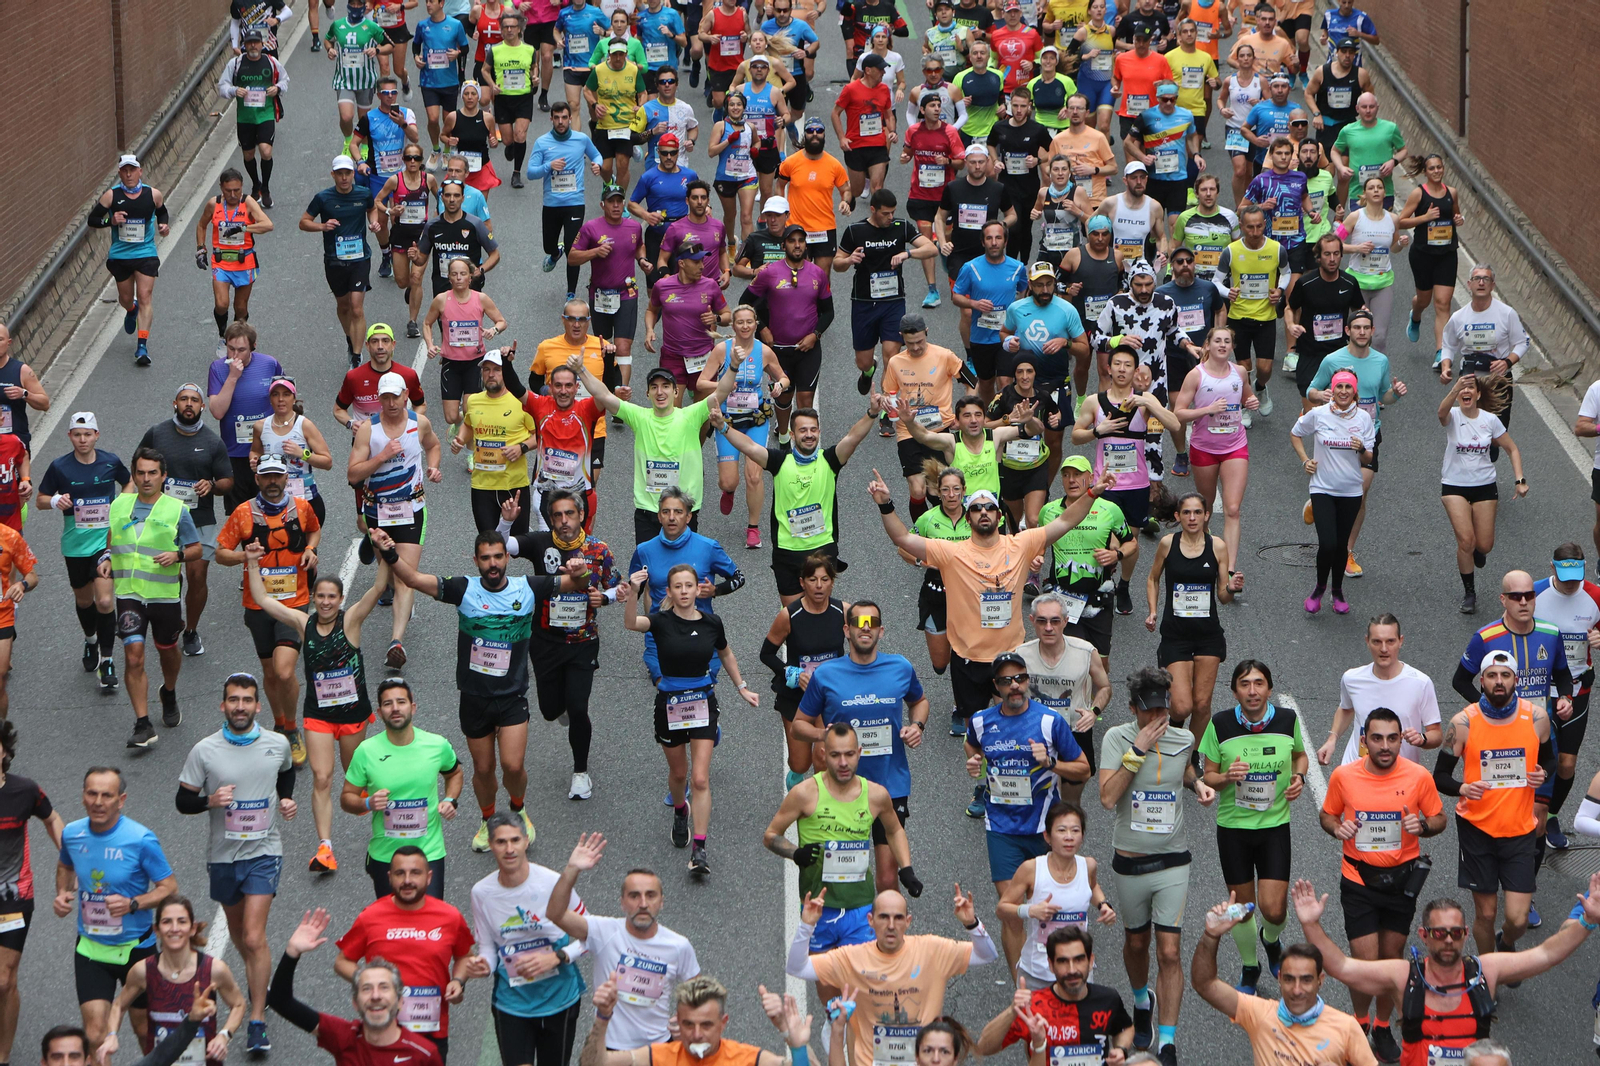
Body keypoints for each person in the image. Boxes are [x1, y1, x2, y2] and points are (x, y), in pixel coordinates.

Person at [868, 460, 1112, 737]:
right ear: (968, 516)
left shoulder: (1021, 544)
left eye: (989, 508)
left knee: (1014, 726)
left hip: (1009, 654)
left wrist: (1093, 493)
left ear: (998, 515)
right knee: (976, 730)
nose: (983, 512)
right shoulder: (952, 552)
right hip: (967, 657)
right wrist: (885, 504)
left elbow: (1066, 520)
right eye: (976, 508)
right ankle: (984, 774)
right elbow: (901, 538)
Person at [380, 524, 589, 847]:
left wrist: (582, 569)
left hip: (512, 696)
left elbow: (578, 582)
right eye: (485, 558)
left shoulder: (528, 588)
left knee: (512, 764)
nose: (492, 563)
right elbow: (412, 579)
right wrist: (390, 551)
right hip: (474, 697)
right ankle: (488, 820)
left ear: (507, 558)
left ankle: (518, 812)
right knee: (484, 767)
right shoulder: (464, 589)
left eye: (497, 557)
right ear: (476, 561)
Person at [1293, 875, 1600, 1066]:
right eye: (1439, 933)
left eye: (1455, 932)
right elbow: (1341, 967)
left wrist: (1587, 922)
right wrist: (1310, 924)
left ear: (1466, 933)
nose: (1449, 940)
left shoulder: (1486, 971)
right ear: (1425, 936)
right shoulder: (1402, 977)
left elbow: (1546, 954)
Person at [1098, 667, 1215, 1060]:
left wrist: (1196, 783)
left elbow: (1183, 766)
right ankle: (1141, 1000)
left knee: (1168, 951)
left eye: (1162, 710)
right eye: (1148, 712)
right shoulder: (1117, 738)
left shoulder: (1183, 736)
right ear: (1134, 709)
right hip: (1130, 860)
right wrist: (1138, 751)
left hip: (1172, 860)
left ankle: (1167, 1041)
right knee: (1136, 942)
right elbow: (1107, 798)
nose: (1157, 719)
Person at [174, 674, 294, 1052]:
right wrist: (209, 801)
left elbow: (287, 773)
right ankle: (261, 980)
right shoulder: (204, 751)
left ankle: (256, 1019)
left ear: (259, 706)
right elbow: (182, 800)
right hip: (223, 856)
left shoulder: (277, 743)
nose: (240, 706)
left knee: (255, 937)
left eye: (246, 700)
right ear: (222, 706)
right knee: (243, 938)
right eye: (232, 700)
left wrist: (286, 800)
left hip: (264, 852)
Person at [1316, 708, 1445, 1059]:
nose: (1385, 746)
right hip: (1358, 878)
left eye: (1392, 738)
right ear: (1364, 741)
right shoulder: (1344, 776)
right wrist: (1335, 828)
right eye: (1377, 738)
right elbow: (1327, 814)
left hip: (1402, 880)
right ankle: (1359, 1022)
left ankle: (1384, 1026)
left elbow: (1439, 818)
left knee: (1391, 958)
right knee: (1364, 960)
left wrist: (1425, 826)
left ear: (1401, 739)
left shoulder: (1418, 776)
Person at [248, 547, 384, 874]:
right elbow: (263, 600)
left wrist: (383, 550)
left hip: (352, 715)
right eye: (320, 596)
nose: (325, 602)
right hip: (319, 716)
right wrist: (252, 562)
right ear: (314, 597)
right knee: (322, 778)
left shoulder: (350, 621)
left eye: (331, 597)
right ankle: (325, 848)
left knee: (357, 778)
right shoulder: (302, 622)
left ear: (340, 600)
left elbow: (379, 587)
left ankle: (384, 832)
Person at [619, 561, 758, 873]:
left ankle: (700, 849)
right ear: (669, 591)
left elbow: (726, 654)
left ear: (698, 589)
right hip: (669, 704)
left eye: (689, 586)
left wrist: (742, 688)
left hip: (702, 701)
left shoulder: (712, 622)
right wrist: (633, 592)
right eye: (677, 587)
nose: (683, 591)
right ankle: (680, 810)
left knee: (699, 778)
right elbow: (630, 623)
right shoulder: (660, 620)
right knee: (679, 775)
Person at [764, 722, 921, 973]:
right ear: (824, 755)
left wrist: (906, 868)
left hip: (859, 905)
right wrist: (796, 853)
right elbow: (771, 835)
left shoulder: (876, 795)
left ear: (859, 752)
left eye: (849, 754)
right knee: (827, 988)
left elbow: (894, 830)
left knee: (859, 981)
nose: (843, 762)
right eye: (836, 755)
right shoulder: (804, 793)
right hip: (818, 906)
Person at [966, 653, 1090, 966]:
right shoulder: (981, 721)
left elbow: (1083, 769)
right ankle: (1023, 989)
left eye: (1020, 678)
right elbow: (972, 746)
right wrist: (976, 765)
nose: (1015, 686)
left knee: (1048, 912)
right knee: (1012, 914)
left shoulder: (1049, 721)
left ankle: (1052, 975)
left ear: (1028, 680)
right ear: (997, 686)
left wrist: (1052, 763)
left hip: (1043, 830)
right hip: (1002, 829)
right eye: (1006, 681)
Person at [794, 600, 930, 886]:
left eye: (872, 624)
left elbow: (919, 701)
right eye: (858, 623)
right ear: (847, 630)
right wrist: (823, 735)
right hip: (840, 787)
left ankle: (884, 930)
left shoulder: (900, 667)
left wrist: (916, 726)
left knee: (887, 877)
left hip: (888, 784)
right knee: (843, 875)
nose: (864, 629)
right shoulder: (827, 674)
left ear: (881, 631)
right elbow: (798, 726)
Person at [788, 887, 999, 1066]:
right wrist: (807, 926)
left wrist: (972, 924)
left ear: (908, 921)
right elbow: (797, 968)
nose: (891, 925)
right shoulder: (852, 957)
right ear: (870, 920)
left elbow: (986, 954)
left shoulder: (932, 950)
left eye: (898, 918)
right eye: (884, 917)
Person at [497, 490, 617, 800]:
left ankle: (581, 773)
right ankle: (560, 705)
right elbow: (501, 547)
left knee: (578, 707)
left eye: (569, 514)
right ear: (551, 520)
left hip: (583, 642)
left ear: (580, 516)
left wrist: (605, 597)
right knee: (550, 710)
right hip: (545, 641)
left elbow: (617, 584)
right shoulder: (540, 543)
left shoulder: (598, 549)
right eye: (557, 516)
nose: (564, 521)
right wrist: (505, 522)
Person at [1197, 660, 1307, 995]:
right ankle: (1250, 967)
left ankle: (1271, 940)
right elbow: (1209, 775)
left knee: (1274, 911)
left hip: (1274, 826)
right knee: (1242, 909)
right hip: (1234, 828)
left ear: (1269, 689)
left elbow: (1300, 756)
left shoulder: (1287, 720)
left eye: (1259, 683)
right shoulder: (1220, 724)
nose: (1252, 691)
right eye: (1244, 684)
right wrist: (1227, 777)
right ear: (1234, 691)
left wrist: (1300, 776)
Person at [1435, 651, 1555, 955]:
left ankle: (1507, 942)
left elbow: (1549, 761)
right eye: (1492, 675)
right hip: (1477, 829)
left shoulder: (1537, 718)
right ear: (1482, 680)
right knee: (1486, 914)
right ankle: (1489, 973)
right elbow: (1440, 776)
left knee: (1517, 919)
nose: (1498, 682)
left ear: (1516, 679)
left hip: (1519, 829)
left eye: (1505, 675)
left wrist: (1542, 774)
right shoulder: (1463, 722)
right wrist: (1463, 787)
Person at [54, 767, 179, 1050]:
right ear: (83, 796)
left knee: (145, 1030)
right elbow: (64, 865)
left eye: (107, 795)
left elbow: (169, 888)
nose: (98, 802)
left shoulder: (141, 839)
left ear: (121, 800)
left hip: (137, 949)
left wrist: (133, 903)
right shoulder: (72, 834)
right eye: (92, 794)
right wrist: (61, 892)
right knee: (95, 1035)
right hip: (91, 948)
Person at [544, 835, 702, 1049]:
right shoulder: (602, 930)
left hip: (659, 1050)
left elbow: (700, 992)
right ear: (622, 903)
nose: (643, 903)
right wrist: (572, 869)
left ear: (661, 902)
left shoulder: (678, 946)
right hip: (609, 1050)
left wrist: (688, 1020)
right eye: (634, 896)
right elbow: (555, 913)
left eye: (651, 895)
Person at [713, 398, 877, 600]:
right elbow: (749, 447)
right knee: (793, 617)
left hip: (822, 549)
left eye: (813, 430)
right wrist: (722, 426)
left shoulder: (830, 460)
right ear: (792, 435)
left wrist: (872, 413)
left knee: (818, 612)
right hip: (787, 551)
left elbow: (853, 437)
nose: (809, 435)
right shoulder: (779, 461)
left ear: (818, 432)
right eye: (803, 430)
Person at [214, 453, 322, 760]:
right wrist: (245, 557)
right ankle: (280, 725)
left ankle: (291, 730)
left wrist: (311, 550)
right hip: (257, 603)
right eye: (267, 477)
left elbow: (314, 529)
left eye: (278, 476)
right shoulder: (243, 513)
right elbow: (221, 553)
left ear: (286, 478)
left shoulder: (301, 509)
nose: (273, 482)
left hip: (294, 602)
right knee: (270, 673)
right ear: (258, 480)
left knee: (284, 671)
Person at [568, 351, 737, 545]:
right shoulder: (639, 417)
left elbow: (721, 392)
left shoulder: (691, 415)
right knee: (647, 571)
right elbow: (604, 395)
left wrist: (734, 366)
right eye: (654, 387)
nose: (660, 392)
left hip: (683, 510)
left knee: (682, 571)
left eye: (666, 386)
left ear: (675, 392)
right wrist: (580, 369)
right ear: (648, 394)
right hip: (648, 510)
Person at [335, 848, 479, 1060]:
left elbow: (465, 956)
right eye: (400, 873)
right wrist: (370, 983)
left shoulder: (450, 916)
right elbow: (342, 962)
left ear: (429, 877)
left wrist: (458, 981)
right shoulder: (371, 916)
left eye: (415, 873)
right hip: (382, 1028)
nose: (407, 880)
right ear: (390, 877)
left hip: (431, 1030)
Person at [1189, 903, 1375, 1066]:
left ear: (1320, 980)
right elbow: (1204, 984)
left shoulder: (1346, 1027)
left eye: (1306, 980)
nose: (1296, 989)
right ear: (1279, 979)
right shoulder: (1259, 1014)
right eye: (1289, 979)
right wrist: (1210, 935)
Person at [468, 813, 588, 1066]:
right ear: (490, 844)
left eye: (515, 840)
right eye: (501, 842)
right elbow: (488, 946)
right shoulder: (481, 893)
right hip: (512, 1003)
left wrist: (557, 957)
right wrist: (484, 965)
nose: (509, 849)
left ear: (526, 841)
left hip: (559, 999)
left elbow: (591, 936)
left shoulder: (552, 882)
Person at [347, 372, 444, 666]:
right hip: (377, 511)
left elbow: (434, 446)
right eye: (385, 397)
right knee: (387, 572)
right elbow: (353, 475)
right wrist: (382, 457)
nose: (391, 403)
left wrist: (433, 468)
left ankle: (396, 642)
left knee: (405, 578)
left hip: (411, 509)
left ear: (405, 396)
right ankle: (368, 537)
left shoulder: (419, 423)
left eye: (395, 397)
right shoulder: (368, 430)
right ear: (379, 399)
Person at [266, 907, 445, 1066]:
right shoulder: (345, 1037)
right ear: (355, 1003)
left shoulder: (424, 1054)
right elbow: (281, 1002)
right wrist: (292, 952)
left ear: (400, 1001)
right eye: (366, 988)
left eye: (384, 987)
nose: (375, 995)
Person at [340, 678, 465, 898]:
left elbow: (454, 773)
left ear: (413, 708)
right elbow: (346, 798)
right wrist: (366, 802)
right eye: (388, 704)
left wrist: (450, 799)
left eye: (401, 702)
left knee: (428, 923)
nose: (395, 708)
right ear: (379, 712)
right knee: (393, 927)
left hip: (429, 852)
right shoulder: (366, 751)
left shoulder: (436, 745)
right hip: (386, 855)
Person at [108, 447, 201, 742]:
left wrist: (177, 555)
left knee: (167, 649)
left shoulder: (177, 510)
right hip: (129, 593)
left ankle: (169, 692)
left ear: (163, 476)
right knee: (133, 657)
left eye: (152, 473)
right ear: (134, 475)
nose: (146, 479)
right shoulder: (120, 504)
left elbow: (196, 548)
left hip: (164, 596)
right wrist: (105, 560)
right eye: (140, 473)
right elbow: (110, 540)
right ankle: (142, 723)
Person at [1304, 310, 1404, 580]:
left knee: (1360, 491)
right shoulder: (1332, 360)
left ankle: (1347, 551)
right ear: (1348, 331)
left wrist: (1394, 394)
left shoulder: (1381, 361)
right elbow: (1311, 390)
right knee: (1347, 490)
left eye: (1366, 328)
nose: (1361, 332)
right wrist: (1321, 394)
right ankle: (1322, 501)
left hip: (1368, 433)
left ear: (1373, 332)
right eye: (1356, 327)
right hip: (1335, 434)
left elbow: (1384, 396)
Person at [141, 386, 235, 660]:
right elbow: (139, 467)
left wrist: (213, 485)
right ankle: (163, 618)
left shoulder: (212, 441)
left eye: (194, 400)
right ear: (175, 403)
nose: (189, 404)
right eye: (184, 399)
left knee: (197, 576)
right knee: (170, 575)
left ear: (203, 406)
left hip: (199, 518)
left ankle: (191, 630)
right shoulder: (157, 433)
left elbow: (228, 482)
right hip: (162, 518)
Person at [39, 412, 129, 696]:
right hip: (75, 544)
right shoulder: (60, 466)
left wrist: (121, 504)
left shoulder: (110, 461)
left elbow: (129, 482)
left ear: (96, 435)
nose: (82, 440)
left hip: (105, 543)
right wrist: (55, 500)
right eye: (77, 435)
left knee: (104, 600)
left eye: (87, 434)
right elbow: (40, 499)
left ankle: (107, 661)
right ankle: (90, 639)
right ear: (70, 437)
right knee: (84, 600)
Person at [100, 897, 248, 1066]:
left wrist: (224, 1035)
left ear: (192, 929)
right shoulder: (144, 970)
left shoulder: (214, 969)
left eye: (182, 921)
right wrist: (111, 1036)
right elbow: (119, 1005)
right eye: (167, 922)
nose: (175, 928)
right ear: (157, 929)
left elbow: (238, 1004)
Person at [1143, 492, 1241, 744]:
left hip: (1208, 636)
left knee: (1201, 705)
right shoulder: (1168, 543)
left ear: (1207, 515)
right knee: (1181, 707)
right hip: (1175, 636)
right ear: (1177, 516)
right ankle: (1174, 731)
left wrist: (1231, 588)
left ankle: (1190, 756)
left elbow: (1223, 596)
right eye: (1186, 512)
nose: (1192, 517)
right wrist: (1152, 610)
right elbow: (1153, 578)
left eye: (1198, 512)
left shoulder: (1217, 546)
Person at [1090, 262, 1196, 480]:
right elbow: (1095, 338)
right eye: (1139, 285)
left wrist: (1187, 344)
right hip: (1123, 382)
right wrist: (1119, 340)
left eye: (1148, 284)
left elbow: (1174, 330)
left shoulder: (1166, 303)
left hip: (1156, 382)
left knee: (1154, 437)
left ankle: (1154, 487)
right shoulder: (1116, 304)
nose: (1144, 290)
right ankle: (1118, 482)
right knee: (1122, 433)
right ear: (1130, 284)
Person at [0, 721, 62, 1065]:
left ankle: (3, 1056)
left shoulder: (25, 791)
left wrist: (69, 856)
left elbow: (51, 819)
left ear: (5, 751)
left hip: (12, 898)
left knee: (4, 980)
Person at [695, 311, 787, 543]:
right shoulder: (722, 350)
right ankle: (729, 490)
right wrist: (723, 384)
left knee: (754, 476)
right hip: (727, 421)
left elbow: (784, 377)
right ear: (733, 325)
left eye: (749, 322)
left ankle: (753, 528)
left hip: (756, 420)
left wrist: (779, 386)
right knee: (729, 480)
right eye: (740, 322)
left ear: (756, 324)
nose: (745, 326)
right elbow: (701, 383)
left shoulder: (763, 351)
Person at [580, 975, 813, 1066]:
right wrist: (603, 1017)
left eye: (707, 1025)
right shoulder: (658, 1057)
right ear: (677, 1022)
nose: (697, 1034)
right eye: (688, 1024)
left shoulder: (748, 1060)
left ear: (724, 1023)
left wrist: (793, 1039)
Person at [978, 925, 1132, 1061]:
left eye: (1078, 960)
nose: (1072, 970)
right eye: (1063, 961)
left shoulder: (1108, 999)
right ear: (1051, 965)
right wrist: (1012, 1010)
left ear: (1091, 961)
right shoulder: (1035, 1006)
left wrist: (1121, 1049)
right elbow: (984, 1047)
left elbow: (1125, 1028)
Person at [1171, 328, 1255, 574]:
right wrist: (1206, 410)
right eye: (1217, 340)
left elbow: (1247, 398)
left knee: (1232, 509)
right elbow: (1179, 412)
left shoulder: (1239, 372)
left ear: (1232, 346)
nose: (1222, 345)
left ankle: (1228, 570)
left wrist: (1252, 403)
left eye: (1227, 341)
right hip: (1204, 448)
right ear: (1207, 345)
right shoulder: (1196, 376)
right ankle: (1205, 554)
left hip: (1235, 447)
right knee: (1205, 511)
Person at [1438, 374, 1524, 613]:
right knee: (1465, 540)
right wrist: (1454, 389)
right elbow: (1441, 413)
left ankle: (1478, 551)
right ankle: (1469, 593)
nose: (1466, 392)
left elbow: (1511, 448)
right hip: (1454, 485)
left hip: (1484, 486)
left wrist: (1520, 479)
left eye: (1470, 389)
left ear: (1477, 395)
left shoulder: (1490, 420)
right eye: (1462, 388)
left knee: (1484, 545)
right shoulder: (1453, 416)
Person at [1290, 369, 1374, 614]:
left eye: (1348, 387)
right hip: (1322, 488)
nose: (1344, 392)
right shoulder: (1318, 414)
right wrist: (1306, 460)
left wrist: (1361, 450)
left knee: (1340, 547)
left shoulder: (1363, 419)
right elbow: (1295, 434)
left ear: (1355, 391)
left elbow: (1369, 457)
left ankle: (1337, 591)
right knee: (1327, 544)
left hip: (1350, 490)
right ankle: (1318, 589)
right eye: (1339, 387)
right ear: (1333, 390)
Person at [1533, 546, 1600, 850]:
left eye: (1577, 576)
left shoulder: (1595, 595)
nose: (1572, 583)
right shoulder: (1533, 594)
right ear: (1552, 568)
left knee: (1567, 764)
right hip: (1538, 691)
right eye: (1565, 576)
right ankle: (1531, 812)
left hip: (1577, 689)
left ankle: (1551, 815)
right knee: (1536, 760)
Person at [757, 556, 845, 784]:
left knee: (824, 757)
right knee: (799, 763)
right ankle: (795, 778)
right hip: (798, 696)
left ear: (832, 583)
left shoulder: (843, 611)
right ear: (802, 582)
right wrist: (792, 673)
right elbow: (766, 654)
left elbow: (862, 643)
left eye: (824, 579)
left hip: (830, 695)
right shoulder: (789, 615)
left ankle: (820, 809)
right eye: (812, 579)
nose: (819, 585)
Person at [1317, 613, 1442, 768]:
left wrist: (1422, 739)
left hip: (1400, 776)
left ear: (1400, 641)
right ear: (1367, 642)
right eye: (1377, 642)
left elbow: (1436, 733)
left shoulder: (1421, 683)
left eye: (1390, 641)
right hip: (1357, 769)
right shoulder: (1352, 678)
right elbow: (1346, 709)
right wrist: (1332, 739)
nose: (1384, 649)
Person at [301, 156, 385, 363]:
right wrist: (322, 226)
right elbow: (303, 222)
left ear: (352, 174)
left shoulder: (363, 193)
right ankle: (351, 338)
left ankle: (356, 355)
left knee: (357, 306)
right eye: (340, 174)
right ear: (333, 175)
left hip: (360, 258)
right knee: (344, 305)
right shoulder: (323, 198)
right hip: (334, 260)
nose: (344, 178)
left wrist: (373, 223)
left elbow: (371, 208)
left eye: (348, 173)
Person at [89, 156, 169, 366]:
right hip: (121, 255)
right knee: (126, 299)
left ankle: (141, 346)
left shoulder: (153, 194)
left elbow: (162, 212)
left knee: (145, 296)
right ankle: (131, 310)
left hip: (145, 253)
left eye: (132, 170)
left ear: (140, 171)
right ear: (120, 174)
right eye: (125, 171)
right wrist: (110, 220)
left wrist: (163, 226)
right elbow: (93, 220)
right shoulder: (111, 196)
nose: (129, 174)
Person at [570, 184, 650, 394]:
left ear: (623, 204)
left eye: (619, 201)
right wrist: (595, 251)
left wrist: (641, 260)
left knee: (623, 347)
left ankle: (621, 397)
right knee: (605, 347)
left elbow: (639, 245)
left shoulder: (633, 227)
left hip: (627, 294)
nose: (615, 205)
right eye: (611, 201)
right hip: (600, 297)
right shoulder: (590, 228)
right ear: (602, 204)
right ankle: (608, 392)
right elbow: (572, 257)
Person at [1436, 268, 1527, 448]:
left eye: (1486, 279)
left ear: (1493, 285)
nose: (1481, 282)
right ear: (1469, 284)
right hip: (1470, 378)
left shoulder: (1507, 313)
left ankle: (1488, 457)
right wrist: (1446, 366)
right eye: (1477, 278)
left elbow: (1522, 342)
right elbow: (1448, 345)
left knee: (1495, 437)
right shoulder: (1458, 317)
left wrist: (1507, 362)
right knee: (1470, 430)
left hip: (1497, 378)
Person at [453, 349, 535, 533]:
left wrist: (522, 448)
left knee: (518, 543)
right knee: (488, 544)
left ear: (505, 373)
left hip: (514, 485)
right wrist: (460, 439)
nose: (491, 375)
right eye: (486, 370)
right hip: (482, 485)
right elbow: (468, 425)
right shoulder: (473, 401)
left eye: (497, 370)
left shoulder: (521, 402)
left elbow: (540, 434)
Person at [526, 102, 603, 295]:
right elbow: (530, 173)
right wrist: (549, 166)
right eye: (557, 118)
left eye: (564, 118)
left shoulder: (581, 139)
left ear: (570, 118)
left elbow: (597, 155)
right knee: (548, 245)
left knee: (573, 250)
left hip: (575, 203)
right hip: (551, 204)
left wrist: (597, 165)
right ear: (551, 118)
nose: (561, 122)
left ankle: (571, 292)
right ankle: (554, 252)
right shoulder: (542, 142)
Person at [206, 322, 283, 514]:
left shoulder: (269, 364)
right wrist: (233, 377)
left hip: (266, 452)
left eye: (241, 350)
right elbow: (217, 411)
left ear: (253, 347)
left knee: (271, 511)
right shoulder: (217, 368)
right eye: (230, 349)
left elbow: (285, 403)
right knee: (238, 515)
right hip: (234, 454)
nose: (234, 355)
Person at [951, 220, 1028, 408]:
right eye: (989, 238)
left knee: (1005, 381)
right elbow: (955, 296)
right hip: (981, 337)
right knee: (985, 383)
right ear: (983, 242)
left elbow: (1023, 291)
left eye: (998, 238)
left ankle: (1006, 419)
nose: (994, 242)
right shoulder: (970, 268)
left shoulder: (1017, 267)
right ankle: (990, 416)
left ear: (1005, 242)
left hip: (1007, 336)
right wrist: (974, 303)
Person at [1397, 154, 1464, 365]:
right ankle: (1415, 315)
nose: (1436, 171)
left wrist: (1459, 219)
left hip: (1447, 254)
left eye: (1439, 167)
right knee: (1424, 300)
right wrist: (1424, 218)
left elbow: (1456, 215)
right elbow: (1401, 221)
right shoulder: (1419, 194)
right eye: (1432, 168)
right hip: (1423, 255)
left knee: (1443, 304)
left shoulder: (1451, 193)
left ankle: (1441, 353)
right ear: (1425, 172)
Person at [194, 168, 273, 341]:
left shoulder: (248, 202)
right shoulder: (213, 204)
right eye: (228, 190)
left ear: (242, 187)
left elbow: (267, 225)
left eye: (236, 190)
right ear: (221, 187)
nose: (232, 194)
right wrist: (201, 248)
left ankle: (237, 340)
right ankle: (224, 335)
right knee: (221, 304)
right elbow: (201, 225)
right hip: (221, 262)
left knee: (241, 308)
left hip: (244, 262)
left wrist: (243, 228)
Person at [1337, 175, 1412, 352]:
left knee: (1378, 337)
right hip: (1357, 282)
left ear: (1385, 192)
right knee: (1356, 333)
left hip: (1382, 282)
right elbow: (1334, 244)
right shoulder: (1355, 217)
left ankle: (1375, 375)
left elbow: (1393, 248)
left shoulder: (1393, 219)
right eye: (1371, 188)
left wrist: (1400, 244)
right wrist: (1357, 248)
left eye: (1379, 187)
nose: (1376, 190)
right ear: (1365, 193)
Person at [1284, 232, 1363, 400]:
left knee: (1340, 406)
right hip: (1310, 353)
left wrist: (1364, 316)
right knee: (1311, 406)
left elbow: (1359, 310)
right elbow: (1290, 308)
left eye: (1336, 254)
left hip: (1339, 352)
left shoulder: (1349, 282)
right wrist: (1291, 325)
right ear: (1318, 257)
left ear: (1342, 255)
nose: (1332, 259)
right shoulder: (1305, 283)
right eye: (1327, 254)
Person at [219, 31, 289, 207]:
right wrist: (234, 90)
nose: (253, 46)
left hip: (265, 114)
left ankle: (265, 188)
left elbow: (285, 80)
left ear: (262, 44)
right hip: (245, 117)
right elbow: (222, 87)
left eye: (256, 42)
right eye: (249, 43)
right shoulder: (236, 63)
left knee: (266, 151)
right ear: (244, 45)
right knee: (248, 155)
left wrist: (277, 88)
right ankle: (256, 184)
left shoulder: (271, 62)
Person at [252, 376, 334, 525]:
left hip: (305, 499)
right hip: (272, 502)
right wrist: (254, 461)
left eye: (286, 394)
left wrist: (303, 454)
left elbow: (327, 462)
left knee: (306, 547)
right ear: (270, 399)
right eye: (275, 395)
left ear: (294, 399)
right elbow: (255, 452)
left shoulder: (304, 425)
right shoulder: (260, 426)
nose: (281, 399)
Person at [777, 118, 854, 274]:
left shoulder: (834, 165)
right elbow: (779, 186)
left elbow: (846, 189)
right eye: (810, 131)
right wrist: (781, 212)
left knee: (822, 277)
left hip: (824, 229)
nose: (814, 134)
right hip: (797, 227)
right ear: (805, 134)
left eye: (819, 131)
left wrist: (845, 201)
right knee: (798, 274)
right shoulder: (791, 162)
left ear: (824, 134)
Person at [0, 322, 49, 455]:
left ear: (8, 342)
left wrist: (25, 394)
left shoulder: (22, 370)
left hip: (15, 444)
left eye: (0, 339)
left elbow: (45, 404)